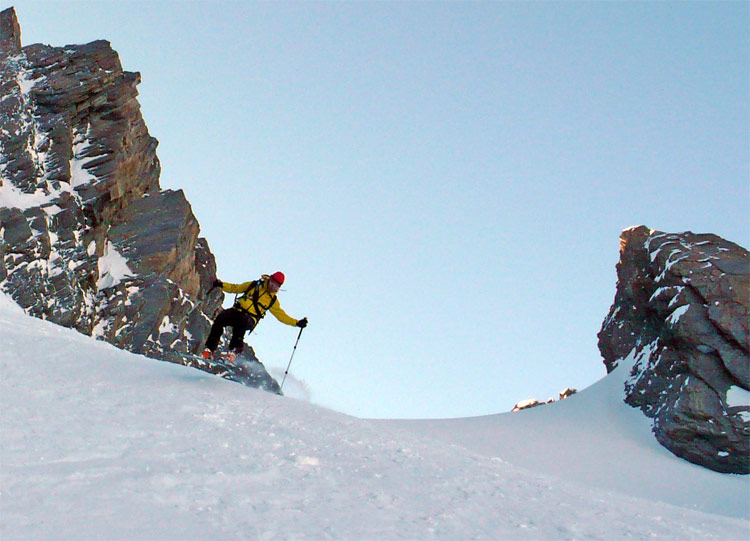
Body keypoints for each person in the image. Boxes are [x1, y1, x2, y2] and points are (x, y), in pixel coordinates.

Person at [202, 271, 307, 361]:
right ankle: (209, 349)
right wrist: (221, 285)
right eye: (272, 284)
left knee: (242, 322)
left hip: (250, 319)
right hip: (237, 311)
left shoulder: (272, 300)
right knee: (221, 318)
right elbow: (236, 288)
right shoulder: (254, 285)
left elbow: (281, 316)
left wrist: (297, 323)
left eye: (276, 287)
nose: (273, 287)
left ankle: (234, 350)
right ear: (269, 279)